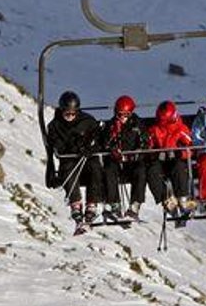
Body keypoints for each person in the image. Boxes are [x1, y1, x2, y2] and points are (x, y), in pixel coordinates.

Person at [45, 91, 103, 227]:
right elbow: (58, 146)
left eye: (73, 113)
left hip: (87, 160)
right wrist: (77, 146)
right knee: (67, 168)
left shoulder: (87, 121)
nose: (70, 116)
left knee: (95, 166)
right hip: (70, 161)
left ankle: (92, 203)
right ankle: (75, 203)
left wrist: (91, 148)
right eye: (67, 114)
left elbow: (98, 138)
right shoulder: (55, 126)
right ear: (61, 111)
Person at [99, 95, 148, 221]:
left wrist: (137, 152)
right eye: (120, 114)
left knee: (141, 170)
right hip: (117, 161)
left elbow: (145, 142)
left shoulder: (138, 125)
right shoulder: (111, 126)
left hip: (132, 161)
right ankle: (114, 203)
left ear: (131, 113)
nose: (122, 118)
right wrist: (112, 149)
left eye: (126, 115)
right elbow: (104, 143)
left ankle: (135, 205)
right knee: (109, 169)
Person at [146, 100, 195, 218]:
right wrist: (154, 154)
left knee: (179, 168)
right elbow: (148, 146)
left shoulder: (181, 129)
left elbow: (191, 147)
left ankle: (183, 198)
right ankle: (166, 198)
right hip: (161, 161)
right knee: (152, 171)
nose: (162, 123)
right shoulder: (154, 130)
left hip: (175, 159)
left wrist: (180, 154)